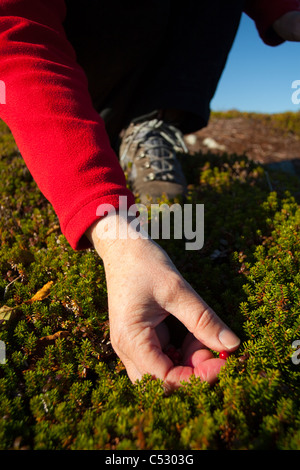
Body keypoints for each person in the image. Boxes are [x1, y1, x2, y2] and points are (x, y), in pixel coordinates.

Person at [0, 0, 299, 392]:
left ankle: (150, 126)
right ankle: (92, 137)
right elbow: (15, 33)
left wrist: (284, 10)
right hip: (80, 79)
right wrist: (113, 232)